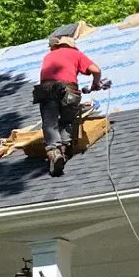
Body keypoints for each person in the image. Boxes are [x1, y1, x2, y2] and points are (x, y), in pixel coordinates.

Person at [33, 34, 102, 176]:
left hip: (47, 89)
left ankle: (54, 152)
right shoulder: (75, 53)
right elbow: (96, 70)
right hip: (69, 91)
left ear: (57, 46)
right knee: (68, 120)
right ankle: (63, 149)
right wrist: (95, 83)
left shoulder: (48, 56)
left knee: (49, 123)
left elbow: (44, 78)